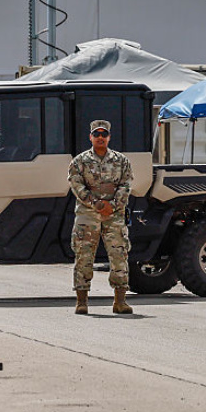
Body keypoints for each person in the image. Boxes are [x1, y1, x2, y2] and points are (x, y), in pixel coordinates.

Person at [68, 120, 134, 315]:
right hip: (88, 214)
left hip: (114, 215)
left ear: (109, 137)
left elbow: (126, 185)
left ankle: (120, 301)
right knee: (83, 255)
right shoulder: (79, 161)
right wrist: (95, 203)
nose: (100, 137)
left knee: (119, 255)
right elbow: (76, 184)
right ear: (90, 137)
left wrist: (111, 206)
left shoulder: (121, 161)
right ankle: (82, 301)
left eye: (103, 134)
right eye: (96, 134)